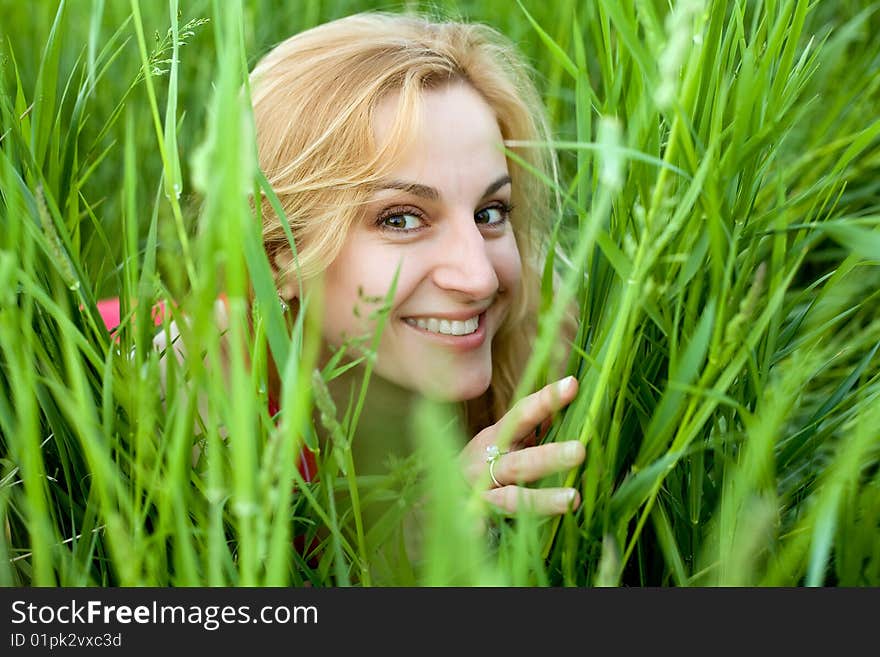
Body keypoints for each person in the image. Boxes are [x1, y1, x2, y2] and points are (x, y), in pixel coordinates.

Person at [154, 11, 585, 561]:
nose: (478, 277)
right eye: (401, 219)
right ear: (279, 255)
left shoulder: (546, 347)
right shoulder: (195, 390)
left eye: (490, 211)